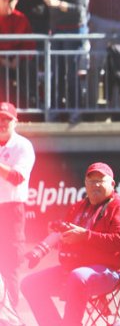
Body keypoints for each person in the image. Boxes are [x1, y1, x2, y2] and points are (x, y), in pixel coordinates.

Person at [22, 162, 120, 326]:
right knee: (30, 284)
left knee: (78, 276)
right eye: (91, 180)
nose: (95, 184)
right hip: (73, 269)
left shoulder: (119, 208)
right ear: (85, 184)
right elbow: (69, 240)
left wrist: (85, 236)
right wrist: (56, 236)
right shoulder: (77, 207)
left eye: (100, 180)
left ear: (112, 184)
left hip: (109, 272)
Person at [0, 103, 33, 311]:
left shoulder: (23, 145)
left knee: (10, 265)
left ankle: (12, 316)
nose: (2, 123)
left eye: (7, 119)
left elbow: (16, 177)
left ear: (15, 122)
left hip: (11, 210)